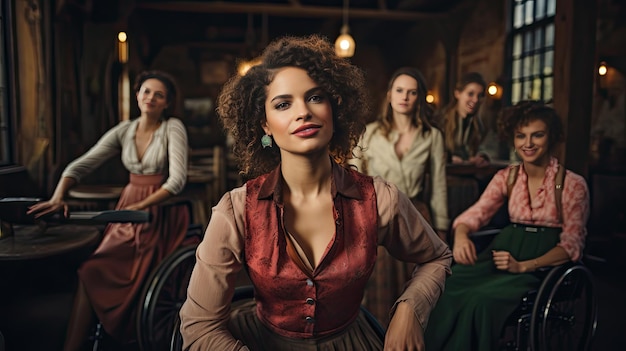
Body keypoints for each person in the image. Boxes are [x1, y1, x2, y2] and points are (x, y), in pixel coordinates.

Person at [179, 34, 452, 351]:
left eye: (315, 97)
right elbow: (198, 326)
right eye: (283, 104)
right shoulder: (236, 209)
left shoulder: (380, 198)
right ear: (265, 124)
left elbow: (437, 257)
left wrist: (410, 309)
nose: (303, 112)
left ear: (335, 109)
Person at [27, 70, 190, 350]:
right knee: (92, 268)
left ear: (166, 103)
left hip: (159, 212)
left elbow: (176, 181)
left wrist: (141, 205)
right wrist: (57, 197)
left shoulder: (172, 127)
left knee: (96, 269)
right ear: (137, 95)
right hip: (127, 208)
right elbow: (80, 165)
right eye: (146, 91)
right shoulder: (125, 130)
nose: (151, 98)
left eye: (159, 95)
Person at [424, 101, 590, 351]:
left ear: (552, 137)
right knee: (443, 286)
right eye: (520, 136)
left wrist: (524, 265)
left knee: (480, 300)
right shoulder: (507, 177)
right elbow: (474, 215)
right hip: (503, 251)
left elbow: (571, 245)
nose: (528, 143)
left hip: (542, 266)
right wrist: (461, 235)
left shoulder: (572, 184)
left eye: (538, 135)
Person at [349, 67, 448, 326]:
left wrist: (442, 229)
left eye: (412, 92)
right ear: (390, 95)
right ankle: (380, 337)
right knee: (379, 285)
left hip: (417, 213)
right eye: (400, 90)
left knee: (416, 286)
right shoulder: (369, 133)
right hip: (379, 214)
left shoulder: (432, 136)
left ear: (419, 98)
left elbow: (438, 186)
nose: (405, 97)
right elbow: (353, 179)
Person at [437, 71, 490, 166]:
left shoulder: (481, 126)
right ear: (457, 94)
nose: (475, 100)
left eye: (480, 95)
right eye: (470, 94)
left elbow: (490, 148)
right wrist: (449, 158)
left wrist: (482, 157)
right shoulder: (439, 120)